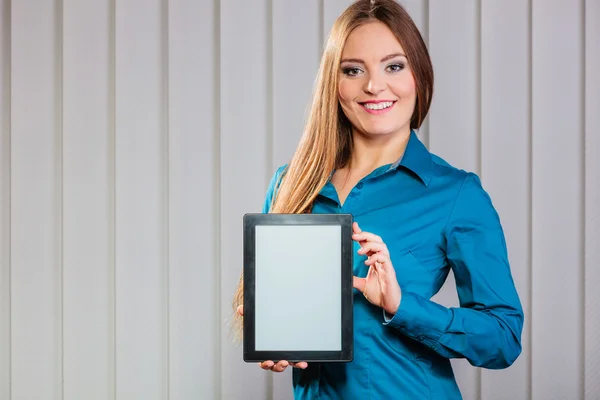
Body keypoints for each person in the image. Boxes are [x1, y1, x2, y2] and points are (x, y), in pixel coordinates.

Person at [232, 0, 524, 398]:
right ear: (333, 84)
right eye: (353, 70)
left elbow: (503, 338)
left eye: (394, 66)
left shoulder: (457, 193)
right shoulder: (291, 183)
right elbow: (275, 311)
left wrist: (401, 305)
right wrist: (271, 333)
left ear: (418, 75)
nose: (373, 86)